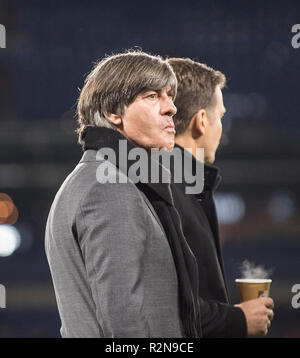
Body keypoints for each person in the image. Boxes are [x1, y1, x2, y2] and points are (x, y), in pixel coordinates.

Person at [45, 51, 202, 338]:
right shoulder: (109, 188)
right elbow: (124, 322)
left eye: (169, 95)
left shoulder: (98, 179)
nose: (172, 108)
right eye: (153, 96)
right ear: (112, 113)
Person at [167, 57, 274, 337]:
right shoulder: (173, 191)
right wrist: (238, 319)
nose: (221, 129)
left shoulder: (178, 182)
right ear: (202, 120)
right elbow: (169, 307)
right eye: (221, 116)